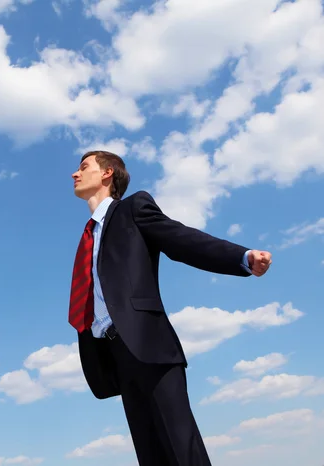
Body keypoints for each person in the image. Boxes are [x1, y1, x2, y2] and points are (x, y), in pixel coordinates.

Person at [69, 150, 272, 466]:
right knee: (151, 457)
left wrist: (241, 257)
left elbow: (181, 239)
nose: (74, 174)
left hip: (149, 345)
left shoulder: (132, 209)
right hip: (116, 354)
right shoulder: (89, 235)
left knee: (182, 452)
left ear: (107, 173)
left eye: (84, 167)